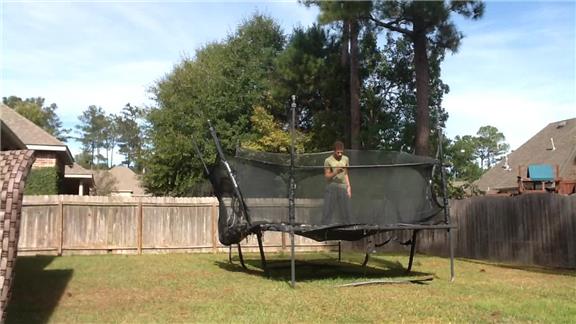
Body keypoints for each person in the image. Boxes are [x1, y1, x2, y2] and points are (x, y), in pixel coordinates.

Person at [321, 141, 352, 225]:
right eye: (338, 152)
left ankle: (347, 227)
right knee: (328, 210)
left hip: (343, 186)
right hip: (332, 186)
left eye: (341, 152)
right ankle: (325, 226)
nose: (340, 154)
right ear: (334, 151)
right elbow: (327, 176)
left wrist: (349, 187)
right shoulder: (328, 160)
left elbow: (346, 174)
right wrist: (336, 172)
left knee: (345, 210)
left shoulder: (346, 159)